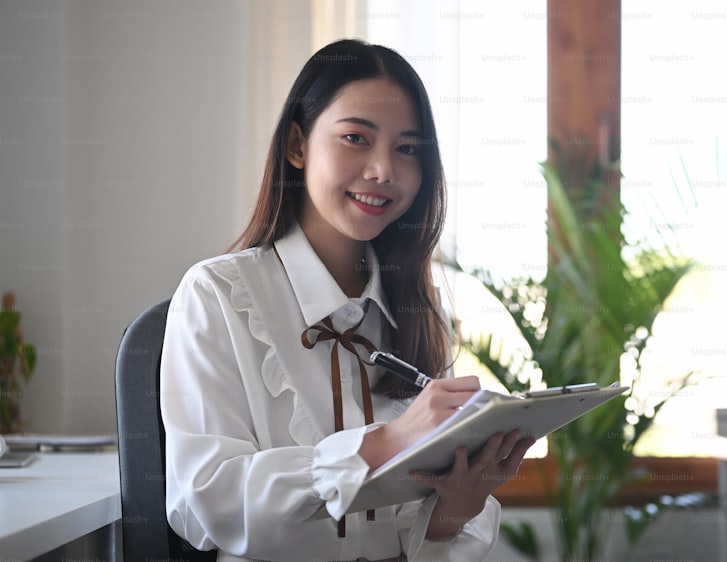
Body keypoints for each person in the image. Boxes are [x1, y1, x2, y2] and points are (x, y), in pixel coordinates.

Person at [160, 39, 535, 562]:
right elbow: (212, 503)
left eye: (407, 148)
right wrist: (384, 443)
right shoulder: (216, 295)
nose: (383, 169)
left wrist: (455, 508)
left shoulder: (421, 314)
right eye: (356, 138)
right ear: (297, 145)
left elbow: (420, 533)